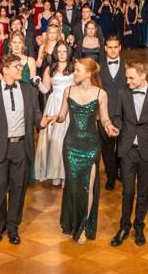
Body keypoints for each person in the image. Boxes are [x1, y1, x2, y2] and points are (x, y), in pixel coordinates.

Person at [47, 58, 117, 243]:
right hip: (71, 145)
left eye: (77, 70)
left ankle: (84, 227)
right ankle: (72, 222)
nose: (74, 73)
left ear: (88, 73)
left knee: (88, 186)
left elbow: (104, 119)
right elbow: (62, 116)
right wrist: (55, 117)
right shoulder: (68, 91)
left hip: (92, 145)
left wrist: (109, 127)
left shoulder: (101, 94)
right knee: (74, 185)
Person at [0, 54, 41, 245]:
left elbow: (36, 115)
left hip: (22, 146)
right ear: (4, 69)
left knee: (18, 188)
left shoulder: (29, 90)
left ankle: (13, 227)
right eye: (16, 66)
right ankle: (0, 225)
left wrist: (44, 122)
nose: (20, 69)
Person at [108, 60, 148, 247]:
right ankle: (124, 227)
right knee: (128, 191)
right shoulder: (122, 93)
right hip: (127, 150)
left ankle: (139, 226)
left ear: (143, 75)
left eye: (132, 78)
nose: (128, 81)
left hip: (147, 151)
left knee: (143, 192)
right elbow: (117, 115)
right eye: (127, 77)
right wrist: (116, 127)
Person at [32, 42, 76, 185]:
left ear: (68, 52)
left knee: (66, 139)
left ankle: (66, 174)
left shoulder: (74, 67)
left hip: (69, 103)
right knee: (54, 140)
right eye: (59, 51)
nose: (62, 54)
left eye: (65, 51)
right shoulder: (49, 68)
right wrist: (38, 83)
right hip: (54, 103)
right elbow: (45, 90)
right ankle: (56, 173)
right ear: (55, 53)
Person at [97, 35, 131, 190]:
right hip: (105, 114)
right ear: (105, 48)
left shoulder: (128, 67)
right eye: (109, 47)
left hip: (125, 114)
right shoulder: (98, 68)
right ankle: (110, 176)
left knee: (123, 146)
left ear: (120, 47)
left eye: (115, 47)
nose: (112, 50)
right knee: (107, 148)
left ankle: (121, 172)